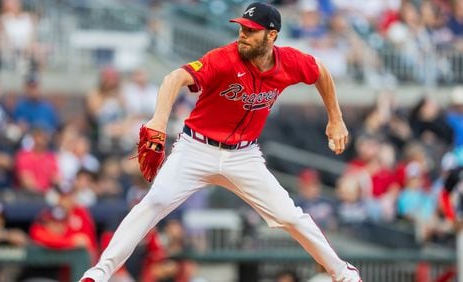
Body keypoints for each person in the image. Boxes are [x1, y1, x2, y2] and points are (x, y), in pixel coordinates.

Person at [80, 2, 361, 282]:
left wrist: (335, 118)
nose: (242, 34)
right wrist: (159, 121)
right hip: (196, 149)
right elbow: (174, 77)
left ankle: (341, 271)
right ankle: (99, 273)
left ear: (271, 35)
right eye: (241, 28)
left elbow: (320, 71)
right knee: (153, 203)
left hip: (243, 156)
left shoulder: (289, 61)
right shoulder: (224, 58)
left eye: (251, 30)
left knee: (289, 216)